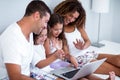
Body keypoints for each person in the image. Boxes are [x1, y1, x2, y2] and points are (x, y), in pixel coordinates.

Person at [0, 1, 65, 80]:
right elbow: (15, 77)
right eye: (46, 21)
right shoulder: (12, 37)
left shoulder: (29, 33)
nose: (45, 26)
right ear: (37, 16)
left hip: (28, 75)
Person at [54, 0, 117, 79]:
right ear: (64, 10)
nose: (72, 20)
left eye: (75, 18)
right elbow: (65, 52)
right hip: (79, 59)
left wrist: (83, 47)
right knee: (116, 70)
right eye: (71, 15)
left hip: (87, 53)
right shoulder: (57, 28)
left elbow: (88, 41)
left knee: (117, 58)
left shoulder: (76, 25)